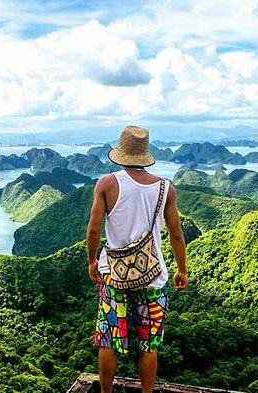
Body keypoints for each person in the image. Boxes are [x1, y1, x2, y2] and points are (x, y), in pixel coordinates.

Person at [86, 125, 188, 393]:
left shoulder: (107, 184)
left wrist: (92, 261)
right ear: (145, 155)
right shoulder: (166, 189)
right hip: (153, 276)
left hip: (113, 275)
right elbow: (176, 234)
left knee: (109, 340)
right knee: (149, 343)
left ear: (120, 154)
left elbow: (94, 228)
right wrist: (182, 269)